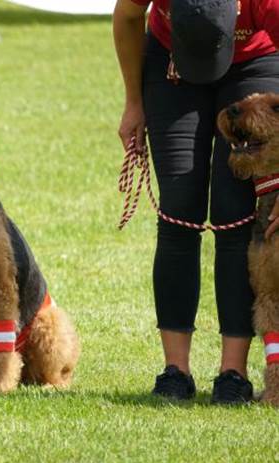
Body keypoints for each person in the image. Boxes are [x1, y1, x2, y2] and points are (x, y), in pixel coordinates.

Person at [113, 0, 279, 403]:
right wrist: (134, 103)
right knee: (178, 207)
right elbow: (128, 16)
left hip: (252, 63)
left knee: (235, 211)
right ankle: (175, 371)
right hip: (172, 66)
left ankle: (233, 374)